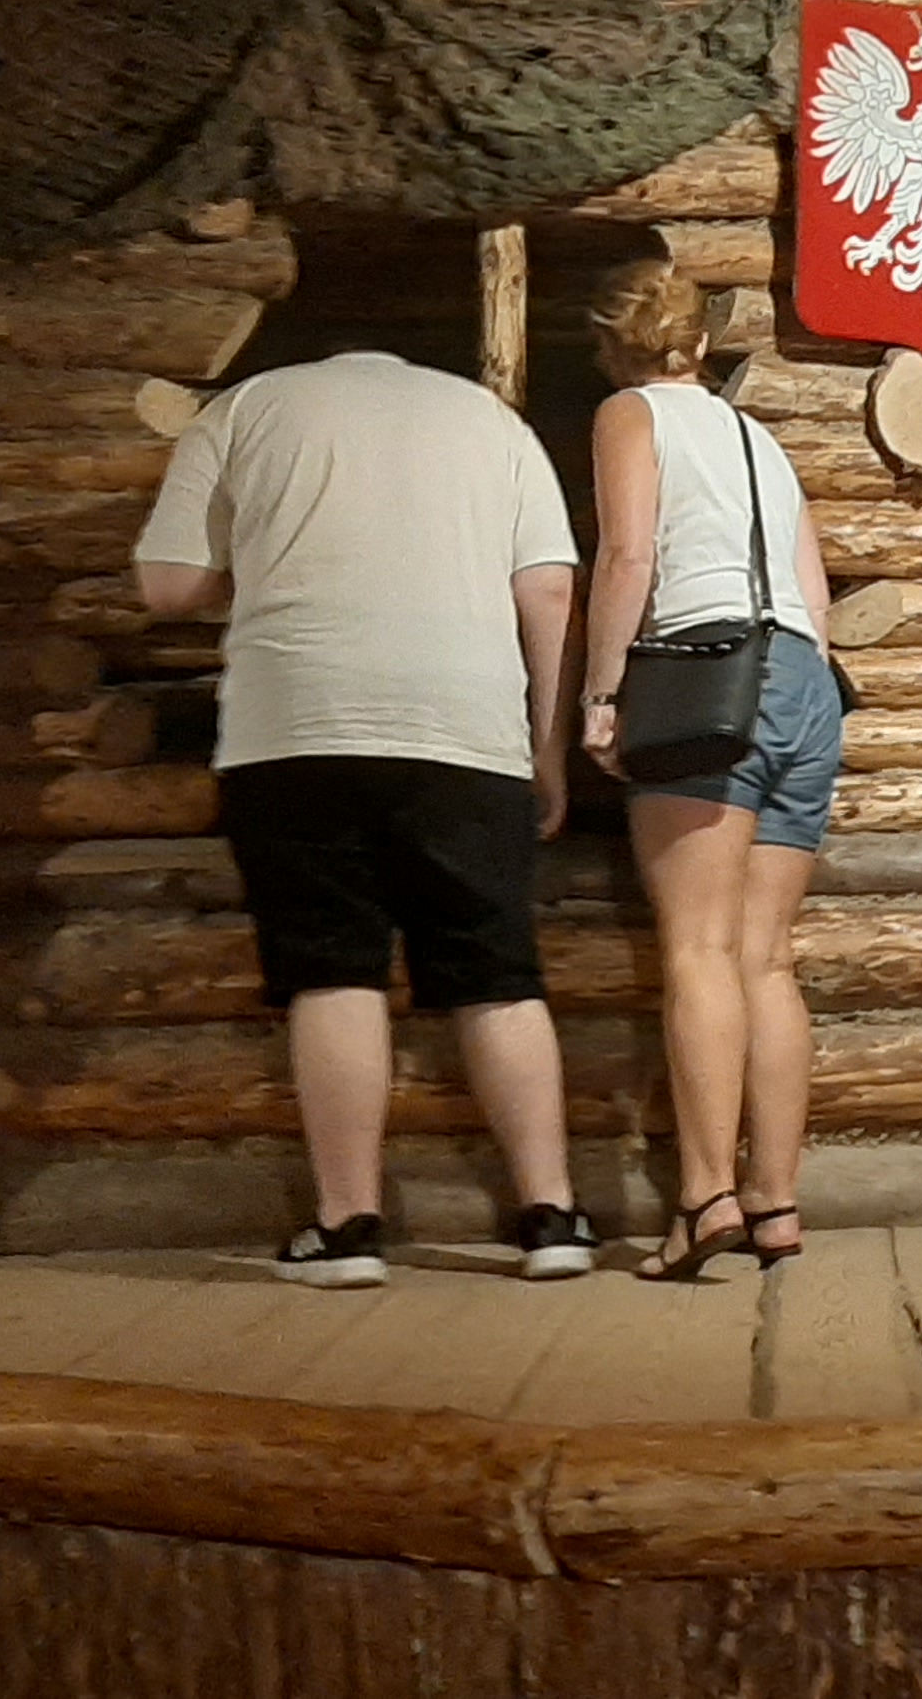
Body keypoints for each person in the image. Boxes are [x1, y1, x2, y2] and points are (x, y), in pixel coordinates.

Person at [132, 347, 594, 1289]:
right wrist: (548, 751)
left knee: (332, 970)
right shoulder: (490, 420)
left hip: (297, 724)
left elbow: (166, 584)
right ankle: (551, 1218)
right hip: (464, 728)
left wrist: (261, 559)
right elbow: (549, 591)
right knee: (496, 974)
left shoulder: (243, 409)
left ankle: (347, 1231)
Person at [571, 260, 844, 1280]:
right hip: (803, 681)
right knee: (765, 958)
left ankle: (703, 1197)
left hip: (706, 673)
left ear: (614, 347)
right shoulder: (758, 439)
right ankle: (775, 1200)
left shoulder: (629, 415)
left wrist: (602, 694)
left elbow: (628, 558)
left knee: (696, 949)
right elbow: (814, 593)